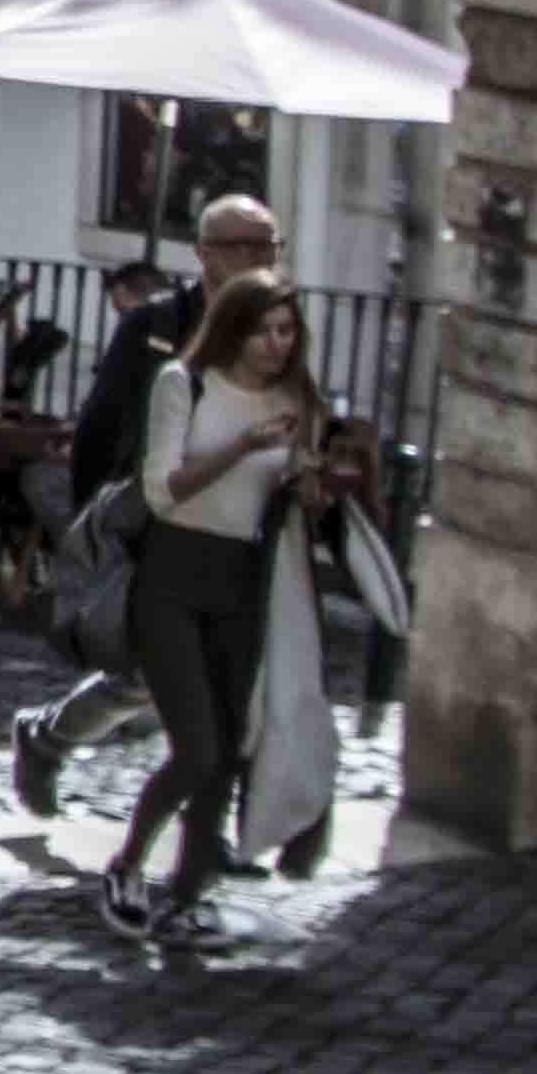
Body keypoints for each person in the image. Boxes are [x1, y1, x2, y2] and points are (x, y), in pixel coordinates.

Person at [12, 204, 279, 817]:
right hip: (157, 524)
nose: (264, 262)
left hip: (237, 527)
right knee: (142, 677)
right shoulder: (154, 327)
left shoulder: (272, 334)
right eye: (249, 247)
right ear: (207, 253)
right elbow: (100, 427)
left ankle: (216, 826)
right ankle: (48, 737)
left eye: (272, 248)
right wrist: (92, 531)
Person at [104, 274, 335, 939]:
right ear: (232, 328)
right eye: (262, 330)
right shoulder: (184, 383)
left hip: (244, 581)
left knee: (229, 746)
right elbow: (162, 491)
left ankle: (188, 890)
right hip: (172, 576)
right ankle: (126, 865)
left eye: (286, 332)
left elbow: (295, 499)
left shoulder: (297, 398)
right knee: (197, 749)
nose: (274, 345)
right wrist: (243, 447)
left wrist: (311, 480)